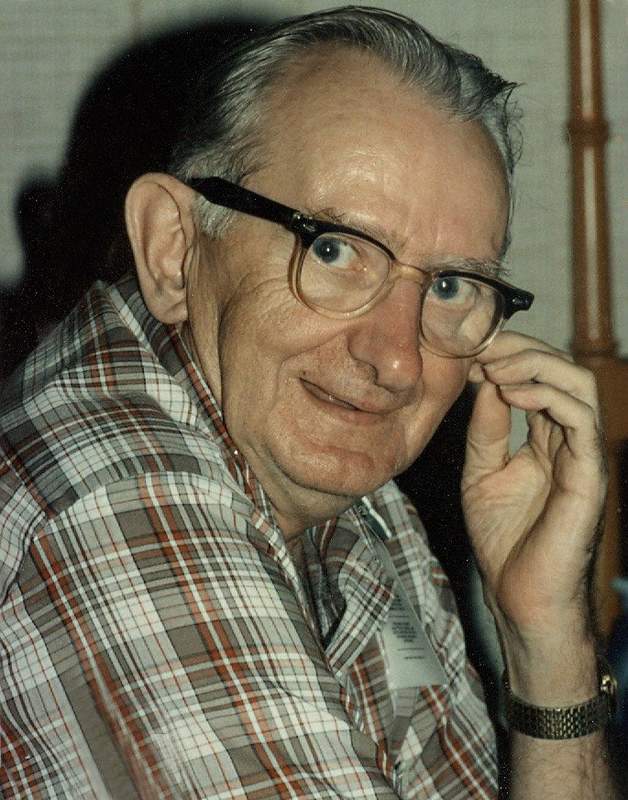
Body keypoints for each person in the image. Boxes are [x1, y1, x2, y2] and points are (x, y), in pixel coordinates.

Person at [0, 7, 617, 799]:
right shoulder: (115, 504)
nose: (396, 359)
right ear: (173, 247)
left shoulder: (352, 501)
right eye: (333, 249)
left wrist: (549, 642)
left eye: (449, 286)